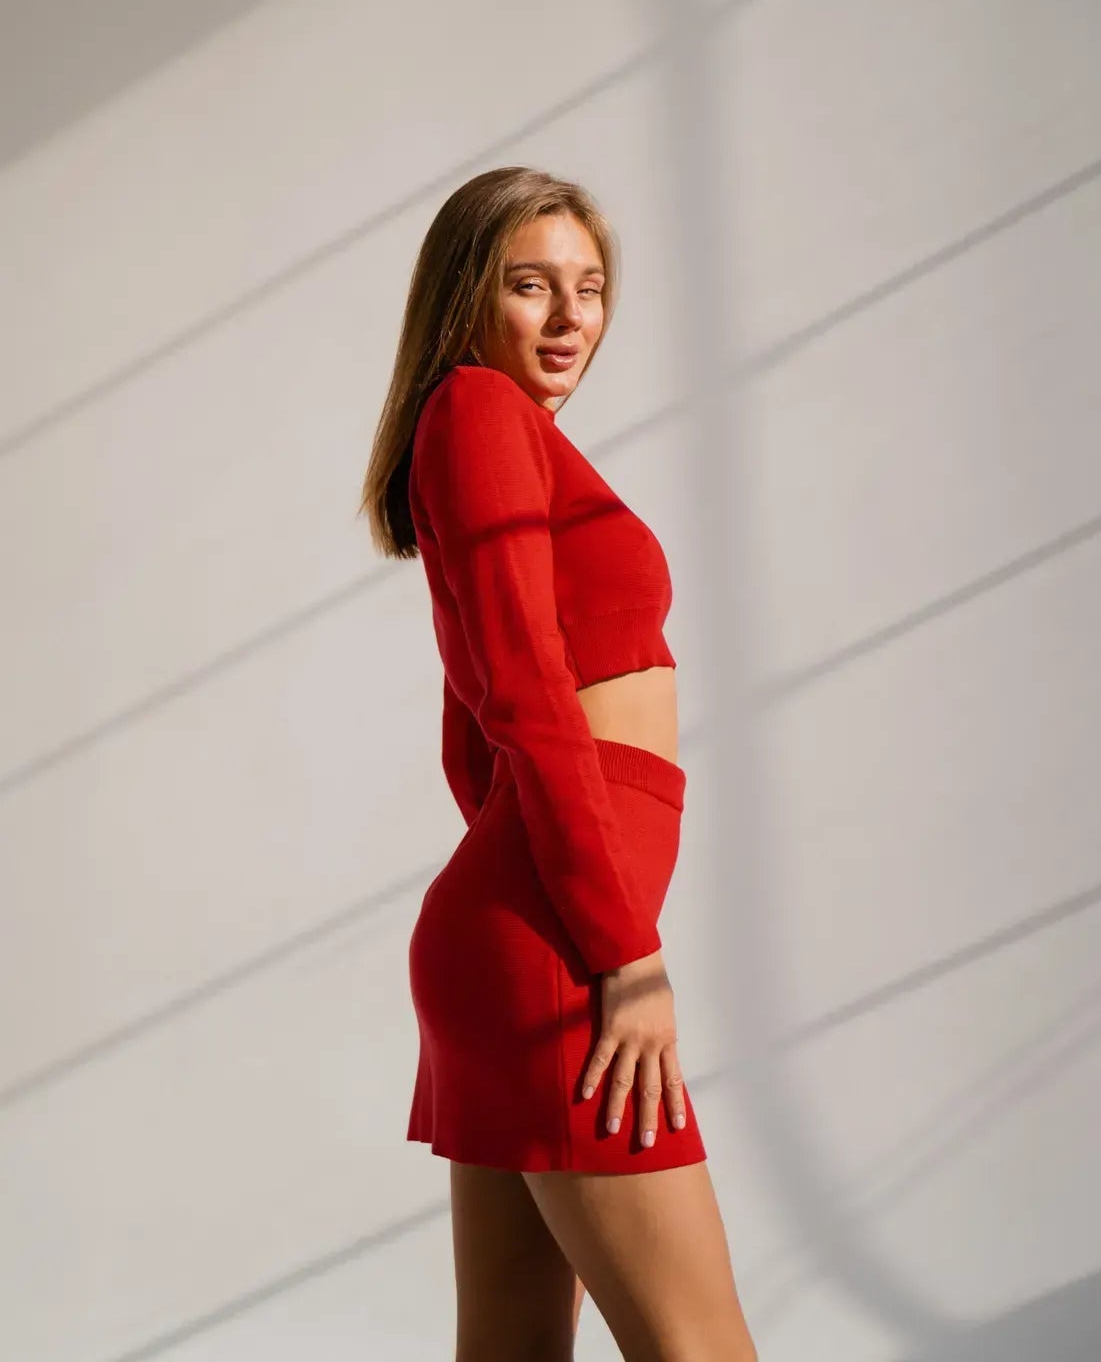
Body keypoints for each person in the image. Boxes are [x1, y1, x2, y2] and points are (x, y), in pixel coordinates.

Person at [360, 166, 756, 1359]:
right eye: (531, 284)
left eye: (591, 287)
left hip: (526, 932)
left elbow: (473, 727)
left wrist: (519, 895)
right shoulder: (479, 409)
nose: (572, 315)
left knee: (512, 1348)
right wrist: (622, 953)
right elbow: (526, 695)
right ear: (466, 297)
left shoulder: (494, 433)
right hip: (562, 950)